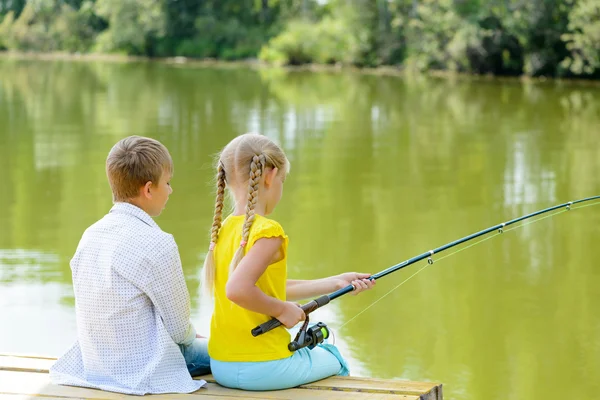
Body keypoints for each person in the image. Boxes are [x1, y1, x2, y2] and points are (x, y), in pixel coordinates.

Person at [203, 133, 375, 391]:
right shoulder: (268, 232)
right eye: (282, 180)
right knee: (334, 357)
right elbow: (237, 290)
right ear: (270, 176)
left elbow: (258, 290)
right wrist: (282, 310)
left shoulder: (223, 229)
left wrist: (336, 282)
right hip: (266, 367)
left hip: (222, 365)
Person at [50, 136, 209, 395]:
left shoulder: (90, 235)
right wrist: (194, 337)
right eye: (167, 183)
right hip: (143, 369)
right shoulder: (158, 243)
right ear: (148, 190)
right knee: (233, 350)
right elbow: (180, 330)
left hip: (97, 363)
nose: (170, 190)